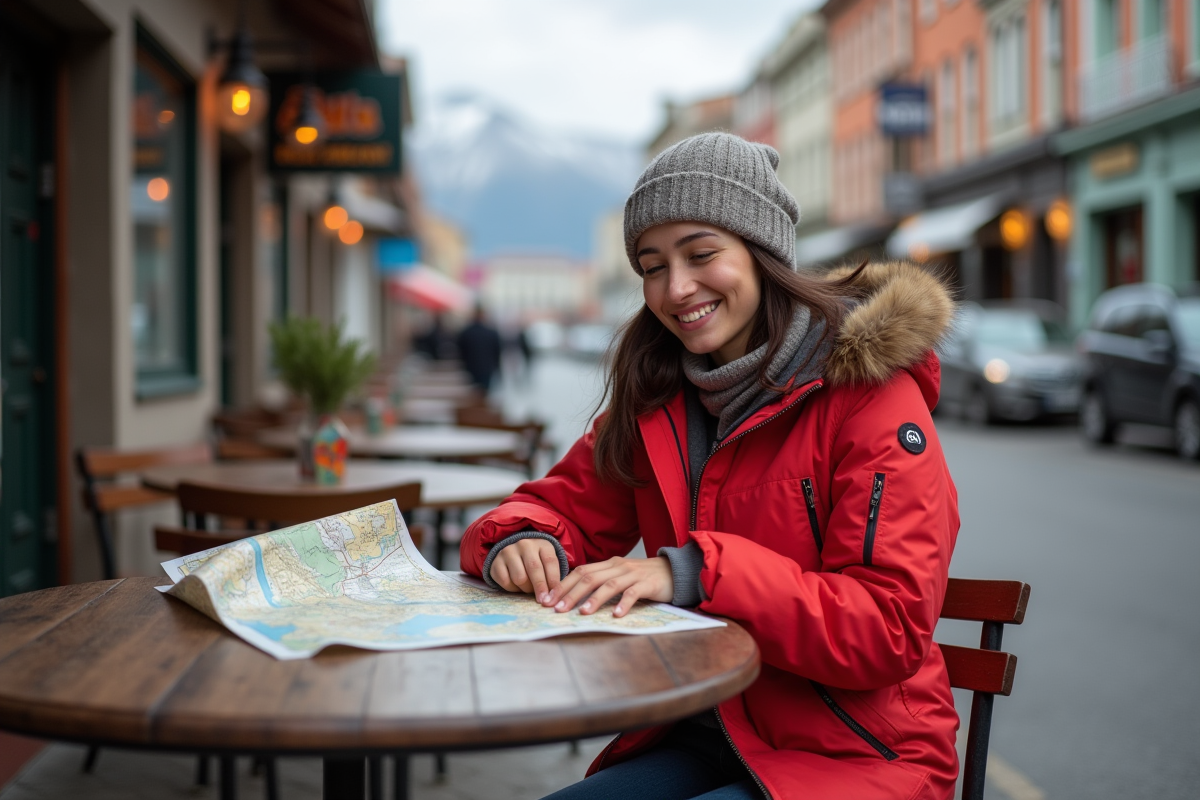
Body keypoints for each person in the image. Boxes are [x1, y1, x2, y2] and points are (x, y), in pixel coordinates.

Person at [459, 133, 960, 800]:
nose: (676, 288)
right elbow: (554, 507)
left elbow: (886, 630)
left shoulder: (870, 397)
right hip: (703, 730)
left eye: (700, 254)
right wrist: (520, 541)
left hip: (855, 756)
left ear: (762, 254)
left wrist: (693, 572)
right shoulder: (660, 400)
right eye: (652, 266)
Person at [456, 305, 503, 391]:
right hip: (487, 367)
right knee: (485, 390)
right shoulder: (491, 332)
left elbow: (461, 350)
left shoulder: (466, 332)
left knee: (473, 391)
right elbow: (497, 352)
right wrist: (497, 368)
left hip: (471, 367)